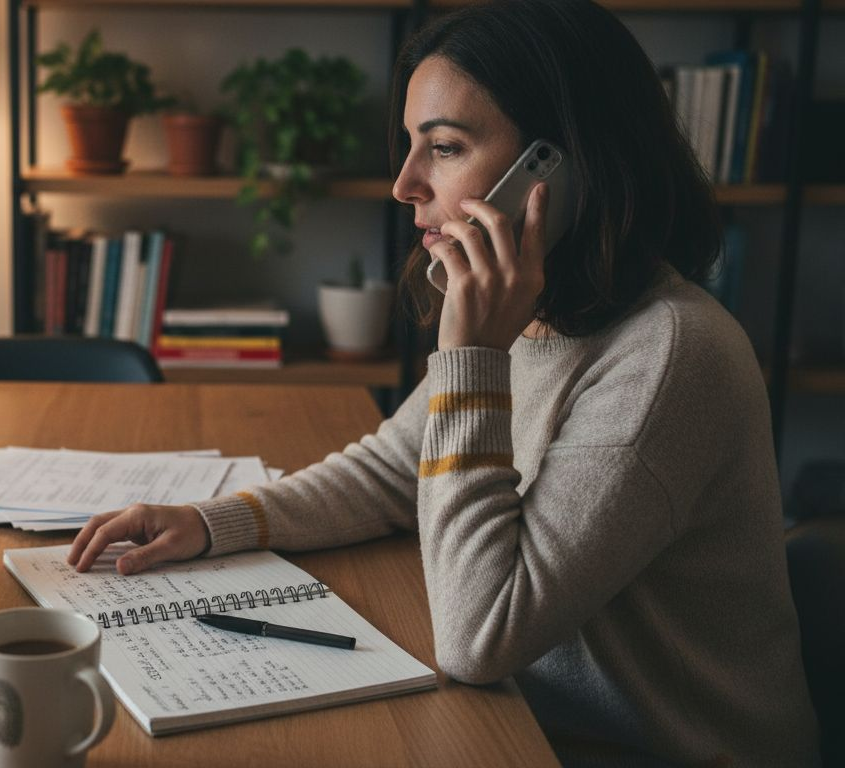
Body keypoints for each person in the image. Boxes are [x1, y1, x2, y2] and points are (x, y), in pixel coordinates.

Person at [68, 0, 820, 764]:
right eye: (410, 146)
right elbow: (394, 470)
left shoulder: (669, 358)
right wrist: (209, 523)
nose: (403, 184)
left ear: (559, 166)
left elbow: (479, 635)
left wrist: (471, 355)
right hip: (536, 726)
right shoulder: (536, 311)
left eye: (446, 147)